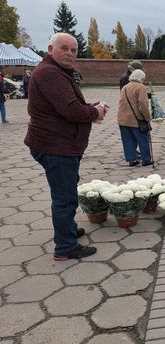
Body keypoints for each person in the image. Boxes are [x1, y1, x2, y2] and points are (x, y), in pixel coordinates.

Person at [25, 33, 108, 260]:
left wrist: (91, 108)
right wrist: (95, 112)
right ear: (51, 49)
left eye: (74, 50)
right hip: (56, 146)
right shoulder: (50, 73)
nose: (70, 54)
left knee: (67, 193)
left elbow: (65, 106)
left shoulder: (56, 71)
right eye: (65, 48)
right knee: (64, 198)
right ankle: (65, 247)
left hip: (60, 145)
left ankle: (67, 231)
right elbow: (70, 110)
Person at [117, 69, 153, 167]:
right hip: (136, 119)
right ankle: (146, 159)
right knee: (143, 139)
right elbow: (142, 104)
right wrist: (147, 117)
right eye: (143, 79)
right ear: (141, 78)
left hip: (123, 119)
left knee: (128, 140)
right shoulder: (141, 87)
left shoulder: (125, 87)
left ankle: (131, 159)